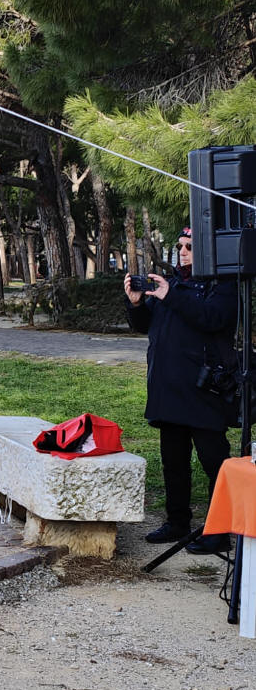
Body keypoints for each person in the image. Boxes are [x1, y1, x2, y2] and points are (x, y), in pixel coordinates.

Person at [125, 226, 237, 554]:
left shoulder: (222, 285)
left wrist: (169, 295)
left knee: (215, 462)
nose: (183, 252)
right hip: (168, 389)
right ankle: (177, 522)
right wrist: (136, 304)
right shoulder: (171, 284)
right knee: (173, 462)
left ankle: (219, 530)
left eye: (190, 246)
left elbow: (212, 318)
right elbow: (145, 326)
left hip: (204, 390)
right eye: (180, 246)